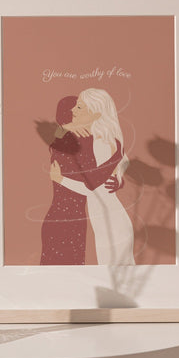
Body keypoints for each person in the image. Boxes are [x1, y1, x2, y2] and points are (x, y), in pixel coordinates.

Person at [50, 88, 135, 265]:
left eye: (80, 107)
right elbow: (55, 148)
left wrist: (61, 179)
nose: (73, 110)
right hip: (105, 220)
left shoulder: (101, 142)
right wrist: (64, 128)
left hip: (111, 222)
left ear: (96, 114)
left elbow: (93, 187)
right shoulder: (97, 139)